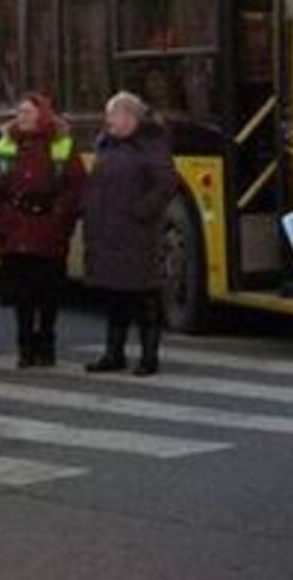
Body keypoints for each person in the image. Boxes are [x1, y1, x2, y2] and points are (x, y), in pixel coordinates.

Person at [83, 92, 178, 377]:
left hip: (137, 234)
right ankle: (114, 352)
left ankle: (149, 357)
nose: (107, 120)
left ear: (129, 117)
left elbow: (165, 184)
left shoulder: (151, 146)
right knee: (115, 296)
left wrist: (141, 211)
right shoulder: (106, 144)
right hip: (109, 232)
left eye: (112, 114)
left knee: (144, 296)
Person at [0, 94, 86, 369]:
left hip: (48, 230)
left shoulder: (61, 144)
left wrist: (59, 216)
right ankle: (24, 346)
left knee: (47, 292)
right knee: (22, 294)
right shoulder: (6, 143)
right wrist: (3, 218)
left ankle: (46, 344)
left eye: (29, 112)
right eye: (20, 112)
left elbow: (76, 185)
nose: (23, 117)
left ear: (42, 115)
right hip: (17, 229)